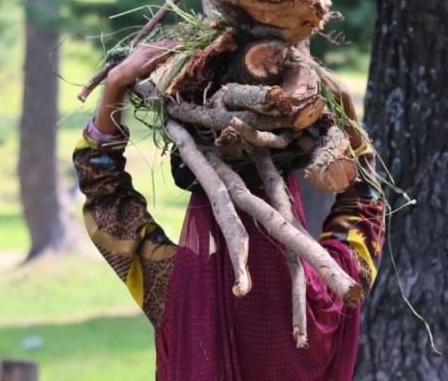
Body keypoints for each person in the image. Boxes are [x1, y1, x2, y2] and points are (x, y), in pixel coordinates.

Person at [73, 41, 385, 380]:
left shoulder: (175, 293)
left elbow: (104, 195)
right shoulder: (329, 296)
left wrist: (117, 84)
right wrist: (345, 112)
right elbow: (366, 204)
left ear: (201, 184)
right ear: (283, 181)